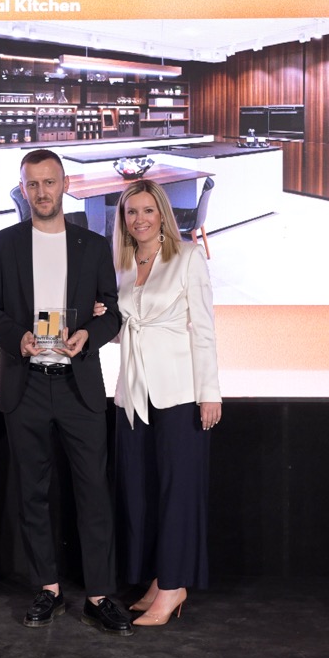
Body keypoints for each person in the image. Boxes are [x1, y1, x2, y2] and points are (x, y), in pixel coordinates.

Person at [0, 149, 133, 636]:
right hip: (24, 385)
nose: (41, 192)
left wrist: (89, 334)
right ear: (23, 189)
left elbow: (113, 312)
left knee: (93, 492)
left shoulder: (93, 245)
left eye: (49, 182)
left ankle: (100, 595)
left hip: (77, 385)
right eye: (33, 184)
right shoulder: (3, 244)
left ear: (65, 184)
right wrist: (16, 337)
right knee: (33, 492)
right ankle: (48, 589)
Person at [112, 179, 222, 627]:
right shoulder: (122, 264)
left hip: (179, 392)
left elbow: (204, 329)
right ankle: (161, 578)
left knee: (177, 491)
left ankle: (175, 586)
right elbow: (128, 326)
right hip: (133, 393)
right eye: (131, 212)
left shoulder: (188, 257)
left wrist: (209, 392)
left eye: (147, 210)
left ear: (162, 214)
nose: (139, 219)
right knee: (143, 490)